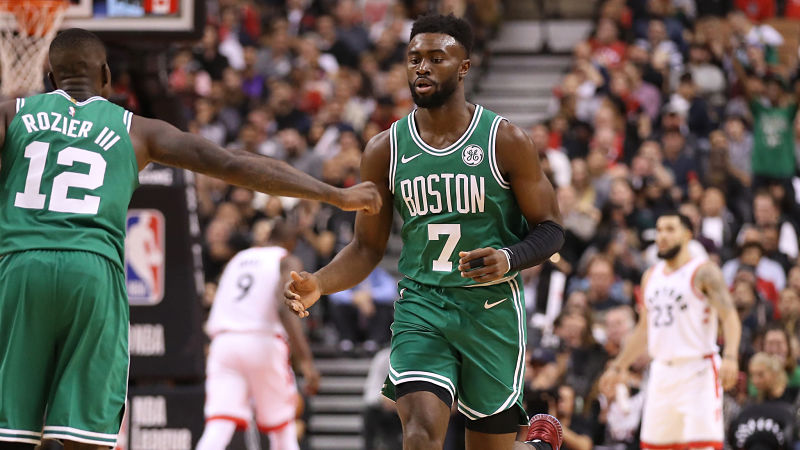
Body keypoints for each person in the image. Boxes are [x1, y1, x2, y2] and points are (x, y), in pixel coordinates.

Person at [0, 28, 380, 450]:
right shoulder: (137, 130)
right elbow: (234, 162)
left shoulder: (12, 113)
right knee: (84, 438)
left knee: (11, 432)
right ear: (106, 76)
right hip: (91, 271)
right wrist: (333, 193)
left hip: (18, 267)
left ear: (48, 75)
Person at [284, 13, 563, 450]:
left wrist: (508, 258)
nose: (422, 67)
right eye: (414, 58)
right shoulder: (384, 149)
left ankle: (537, 445)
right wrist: (320, 282)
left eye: (436, 57)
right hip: (422, 305)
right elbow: (366, 246)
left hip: (490, 310)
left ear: (464, 67)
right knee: (418, 435)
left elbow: (551, 230)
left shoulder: (504, 139)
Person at [600, 211, 742, 449]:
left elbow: (730, 317)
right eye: (659, 230)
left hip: (698, 371)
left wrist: (730, 356)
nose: (662, 236)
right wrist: (618, 365)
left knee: (703, 446)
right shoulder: (650, 276)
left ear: (687, 235)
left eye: (669, 229)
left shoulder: (704, 271)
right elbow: (644, 329)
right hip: (661, 373)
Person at [196, 220, 319, 450]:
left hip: (223, 343)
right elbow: (285, 307)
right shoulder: (286, 259)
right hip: (262, 341)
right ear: (291, 241)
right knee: (283, 428)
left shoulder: (238, 259)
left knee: (218, 425)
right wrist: (306, 360)